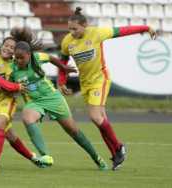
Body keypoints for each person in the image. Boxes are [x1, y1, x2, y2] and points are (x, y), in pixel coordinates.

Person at [57, 7, 157, 170]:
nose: (72, 32)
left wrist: (145, 28)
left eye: (75, 29)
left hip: (100, 79)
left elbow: (122, 31)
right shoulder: (68, 41)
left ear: (85, 25)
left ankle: (118, 147)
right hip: (86, 84)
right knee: (100, 120)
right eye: (70, 29)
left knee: (95, 117)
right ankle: (117, 155)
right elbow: (63, 63)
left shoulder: (96, 33)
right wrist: (62, 81)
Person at [8, 41, 108, 170]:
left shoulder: (37, 58)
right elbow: (10, 87)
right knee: (27, 118)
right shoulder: (12, 69)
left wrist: (63, 68)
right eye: (17, 58)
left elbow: (51, 58)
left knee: (73, 131)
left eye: (22, 58)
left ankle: (97, 158)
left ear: (29, 54)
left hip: (53, 99)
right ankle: (46, 156)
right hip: (34, 102)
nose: (19, 60)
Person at [0, 36, 48, 171]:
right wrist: (15, 86)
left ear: (15, 52)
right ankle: (33, 158)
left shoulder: (15, 65)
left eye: (12, 47)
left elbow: (9, 85)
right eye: (6, 45)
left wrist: (12, 87)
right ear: (1, 46)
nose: (7, 48)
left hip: (7, 100)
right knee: (10, 135)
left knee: (1, 122)